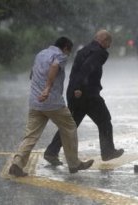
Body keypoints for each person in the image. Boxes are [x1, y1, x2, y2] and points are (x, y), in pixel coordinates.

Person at [9, 37, 94, 177]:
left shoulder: (40, 54)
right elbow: (55, 66)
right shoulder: (59, 56)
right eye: (69, 51)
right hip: (52, 102)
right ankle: (74, 163)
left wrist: (39, 88)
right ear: (66, 47)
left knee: (31, 135)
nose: (68, 55)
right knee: (70, 127)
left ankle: (17, 164)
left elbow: (32, 74)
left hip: (36, 102)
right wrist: (47, 88)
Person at [44, 30, 124, 166]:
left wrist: (75, 89)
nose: (109, 47)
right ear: (104, 41)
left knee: (71, 125)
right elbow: (86, 69)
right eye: (109, 43)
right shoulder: (98, 52)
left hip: (76, 93)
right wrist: (79, 88)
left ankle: (51, 151)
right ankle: (108, 151)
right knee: (104, 120)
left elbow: (78, 71)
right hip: (86, 94)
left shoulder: (85, 50)